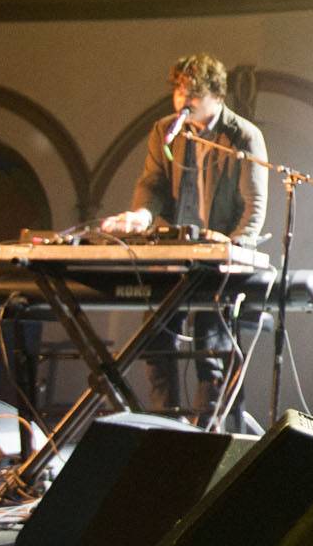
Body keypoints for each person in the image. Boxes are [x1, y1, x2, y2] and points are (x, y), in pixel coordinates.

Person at [103, 53, 268, 423]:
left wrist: (234, 250)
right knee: (156, 340)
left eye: (192, 93)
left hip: (219, 260)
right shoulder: (165, 131)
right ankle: (166, 424)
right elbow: (152, 185)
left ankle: (207, 430)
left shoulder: (243, 136)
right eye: (178, 92)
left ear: (217, 95)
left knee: (211, 349)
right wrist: (140, 215)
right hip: (174, 253)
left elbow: (254, 206)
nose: (183, 101)